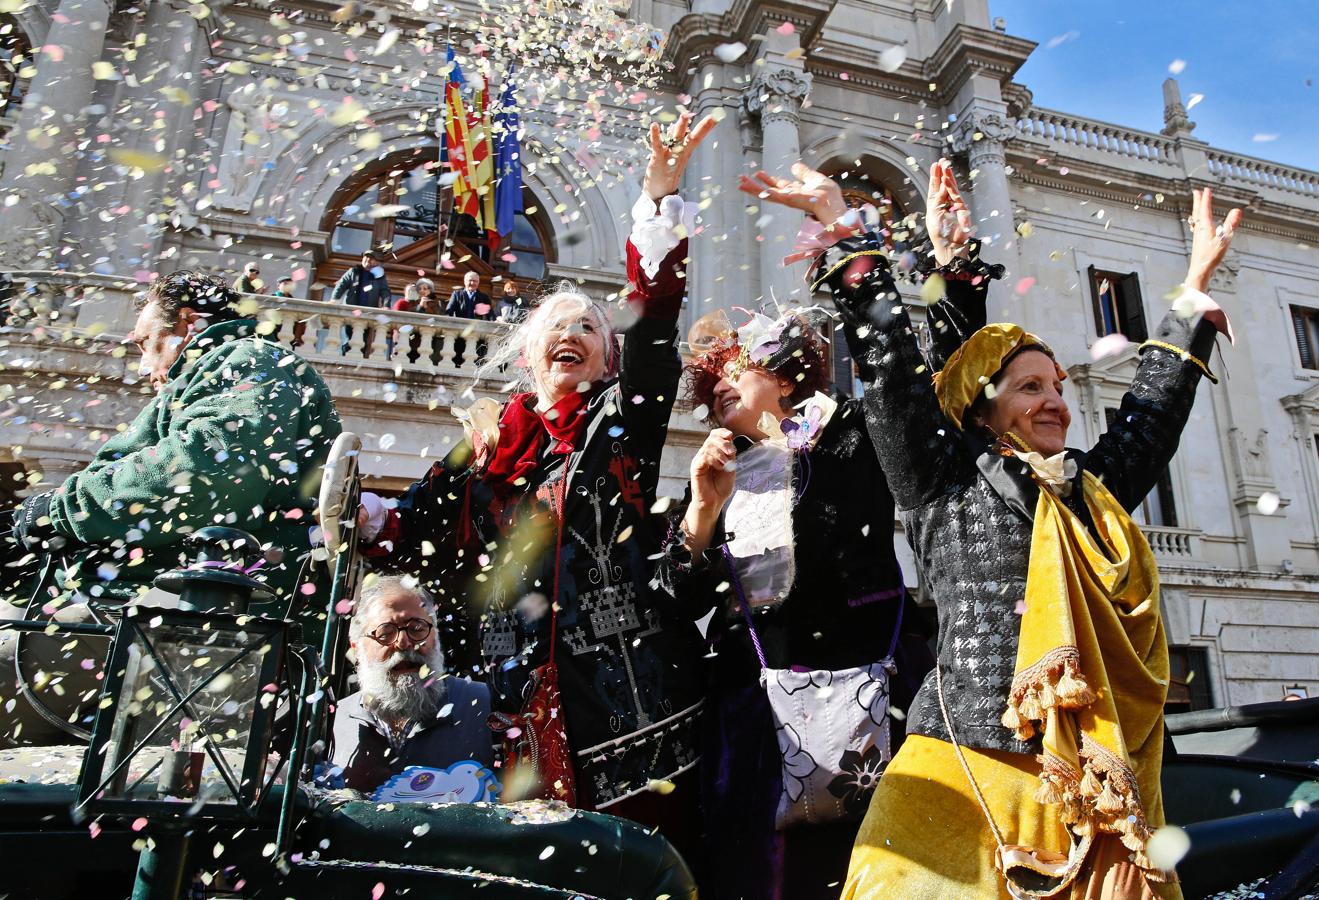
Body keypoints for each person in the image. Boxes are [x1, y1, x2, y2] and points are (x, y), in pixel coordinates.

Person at [775, 160, 1238, 899]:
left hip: (1088, 786)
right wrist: (847, 238)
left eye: (1057, 388)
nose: (1055, 402)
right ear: (982, 412)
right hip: (959, 776)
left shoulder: (1088, 490)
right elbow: (894, 371)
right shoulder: (940, 481)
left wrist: (1187, 298)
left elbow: (1148, 422)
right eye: (1030, 387)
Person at [357, 112, 718, 852]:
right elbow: (407, 536)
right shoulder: (482, 450)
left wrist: (657, 196)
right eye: (555, 323)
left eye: (588, 325)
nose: (571, 333)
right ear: (528, 355)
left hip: (630, 705)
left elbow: (654, 329)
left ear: (605, 359)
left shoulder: (620, 427)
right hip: (511, 710)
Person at [654, 169, 991, 897]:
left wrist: (953, 270)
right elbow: (677, 606)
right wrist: (701, 515)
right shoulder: (719, 476)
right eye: (706, 386)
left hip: (877, 687)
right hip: (757, 722)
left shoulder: (854, 433)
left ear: (780, 372)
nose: (714, 388)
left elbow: (942, 390)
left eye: (729, 371)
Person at [1, 270, 342, 745]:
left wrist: (61, 512)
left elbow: (202, 476)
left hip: (191, 638)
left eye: (144, 344)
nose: (142, 367)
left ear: (187, 323)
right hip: (162, 625)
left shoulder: (249, 360)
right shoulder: (220, 372)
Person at [329, 575, 495, 796]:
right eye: (385, 633)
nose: (403, 643)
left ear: (435, 637)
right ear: (357, 648)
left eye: (416, 628)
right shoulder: (332, 720)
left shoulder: (485, 706)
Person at [332, 250, 392, 356]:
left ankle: (358, 360)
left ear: (376, 262)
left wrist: (386, 305)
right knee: (347, 339)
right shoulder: (353, 271)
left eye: (371, 258)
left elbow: (385, 292)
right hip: (351, 312)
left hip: (367, 314)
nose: (368, 260)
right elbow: (341, 285)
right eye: (366, 257)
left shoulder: (379, 277)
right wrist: (334, 299)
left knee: (361, 341)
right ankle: (345, 360)